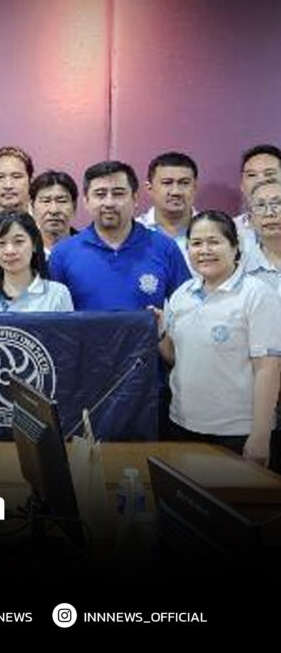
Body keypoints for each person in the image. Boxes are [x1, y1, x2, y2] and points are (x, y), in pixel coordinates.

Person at [157, 211, 281, 471]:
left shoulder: (257, 294)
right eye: (196, 243)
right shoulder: (182, 294)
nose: (204, 251)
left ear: (235, 247)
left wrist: (260, 435)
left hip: (237, 432)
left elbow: (268, 369)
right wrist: (159, 333)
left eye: (214, 242)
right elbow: (176, 357)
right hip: (182, 425)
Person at [49, 160, 190, 311]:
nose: (109, 203)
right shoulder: (63, 253)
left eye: (118, 194)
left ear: (135, 199)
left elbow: (188, 311)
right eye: (100, 194)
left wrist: (165, 323)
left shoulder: (165, 248)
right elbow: (51, 317)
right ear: (86, 201)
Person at [0, 211, 73, 312]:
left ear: (34, 244)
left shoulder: (57, 294)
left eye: (19, 241)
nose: (9, 251)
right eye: (1, 243)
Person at [139, 151, 199, 269]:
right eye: (167, 183)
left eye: (184, 183)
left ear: (195, 187)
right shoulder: (132, 232)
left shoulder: (215, 231)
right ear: (149, 188)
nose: (176, 192)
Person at [235, 144, 281, 245]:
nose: (260, 181)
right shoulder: (231, 230)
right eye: (252, 175)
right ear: (242, 186)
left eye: (269, 174)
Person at [242, 177, 281, 294]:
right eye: (260, 206)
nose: (269, 213)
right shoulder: (238, 268)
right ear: (250, 219)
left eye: (278, 204)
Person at [29, 170, 78, 256]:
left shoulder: (89, 250)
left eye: (61, 201)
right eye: (46, 201)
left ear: (74, 206)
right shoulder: (24, 251)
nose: (54, 210)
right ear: (32, 207)